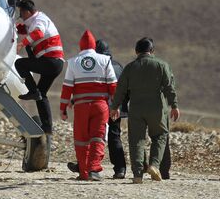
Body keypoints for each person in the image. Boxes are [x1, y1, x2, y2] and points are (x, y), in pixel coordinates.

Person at [110, 37, 180, 184]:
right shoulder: (162, 65)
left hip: (136, 109)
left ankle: (137, 175)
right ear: (152, 51)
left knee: (136, 140)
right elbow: (169, 87)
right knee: (160, 136)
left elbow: (120, 90)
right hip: (157, 109)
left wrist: (115, 107)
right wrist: (174, 105)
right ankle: (154, 165)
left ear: (136, 51)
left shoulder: (130, 67)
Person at [60, 30, 116, 181]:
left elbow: (67, 88)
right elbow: (113, 86)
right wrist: (115, 106)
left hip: (81, 107)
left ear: (81, 46)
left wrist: (63, 108)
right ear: (93, 45)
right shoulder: (105, 60)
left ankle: (84, 173)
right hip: (100, 106)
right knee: (98, 137)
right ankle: (94, 169)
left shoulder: (73, 62)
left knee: (81, 139)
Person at [67, 38, 127, 179]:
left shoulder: (97, 64)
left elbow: (89, 86)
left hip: (101, 106)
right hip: (115, 107)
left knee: (88, 137)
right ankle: (119, 169)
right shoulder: (117, 65)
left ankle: (87, 167)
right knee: (114, 137)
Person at [14, 0, 64, 135]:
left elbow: (38, 33)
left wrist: (21, 44)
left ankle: (32, 91)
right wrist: (12, 27)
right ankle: (47, 128)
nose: (21, 17)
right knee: (42, 95)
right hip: (56, 63)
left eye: (21, 13)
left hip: (50, 61)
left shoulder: (39, 20)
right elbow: (24, 28)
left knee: (19, 64)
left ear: (27, 12)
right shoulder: (33, 22)